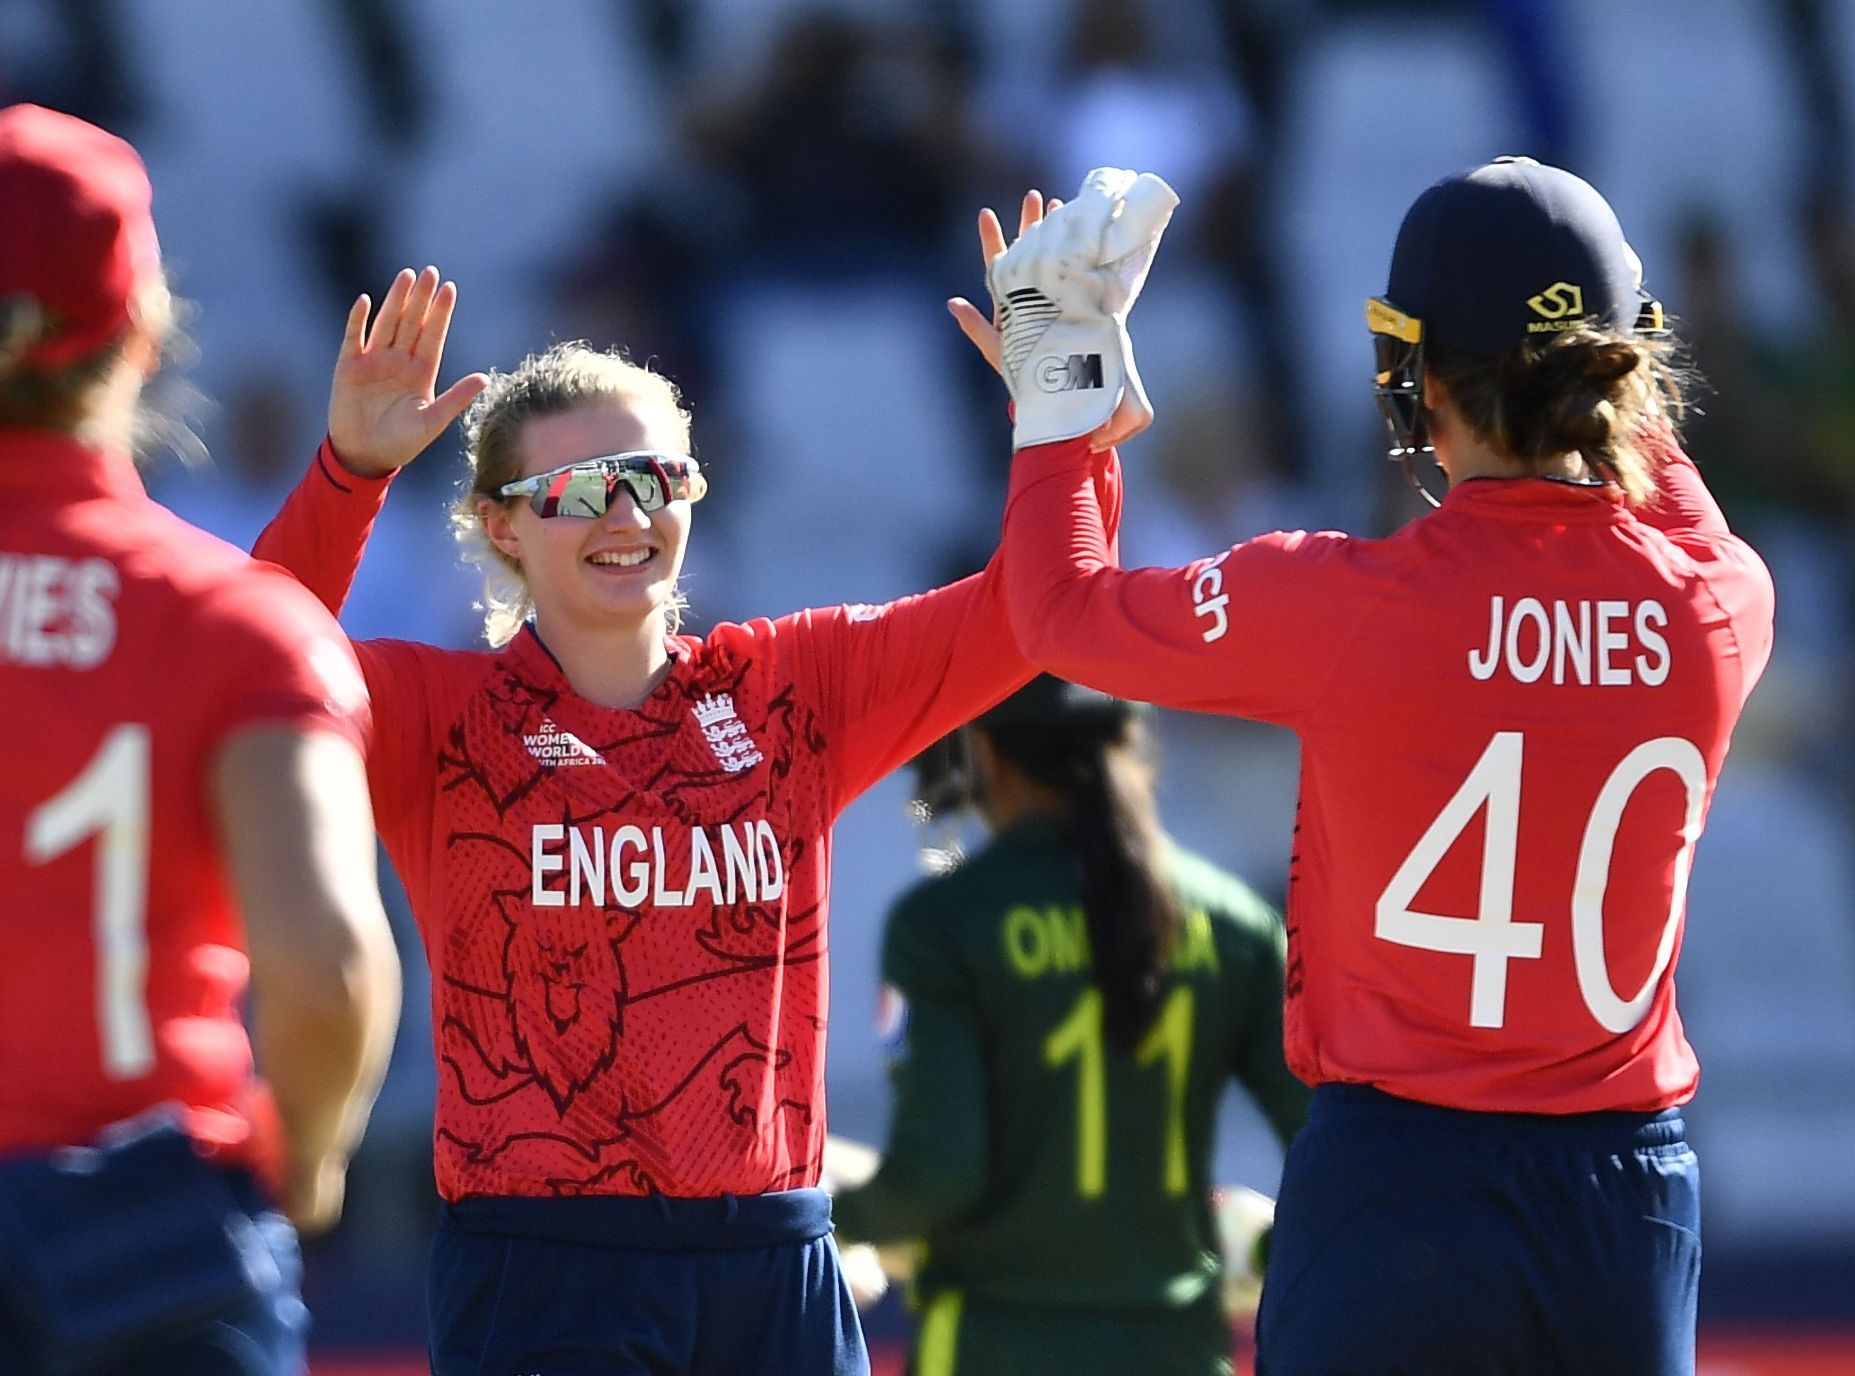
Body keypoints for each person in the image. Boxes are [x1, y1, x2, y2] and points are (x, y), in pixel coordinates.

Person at [245, 196, 1130, 1376]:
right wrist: (351, 473)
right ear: (500, 528)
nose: (627, 513)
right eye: (577, 491)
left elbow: (1040, 607)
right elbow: (249, 662)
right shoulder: (438, 714)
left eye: (654, 475)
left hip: (778, 1259)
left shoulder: (788, 687)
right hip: (544, 1265)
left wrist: (1062, 399)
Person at [963, 162, 1775, 1374]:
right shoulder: (1725, 604)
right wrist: (1598, 338)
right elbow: (1658, 494)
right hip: (1624, 1203)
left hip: (1397, 1186)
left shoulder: (1341, 603)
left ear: (1419, 380)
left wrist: (1057, 379)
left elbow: (1057, 609)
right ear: (1625, 369)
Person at [0, 104, 402, 1375]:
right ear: (146, 329)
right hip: (151, 1246)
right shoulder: (240, 624)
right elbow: (328, 966)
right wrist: (314, 1159)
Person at [826, 674, 1307, 1376]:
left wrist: (831, 1223)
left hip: (993, 1350)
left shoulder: (944, 925)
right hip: (1181, 1352)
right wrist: (1262, 1249)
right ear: (1131, 743)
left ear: (984, 754)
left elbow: (939, 1178)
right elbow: (1335, 1151)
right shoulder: (1239, 924)